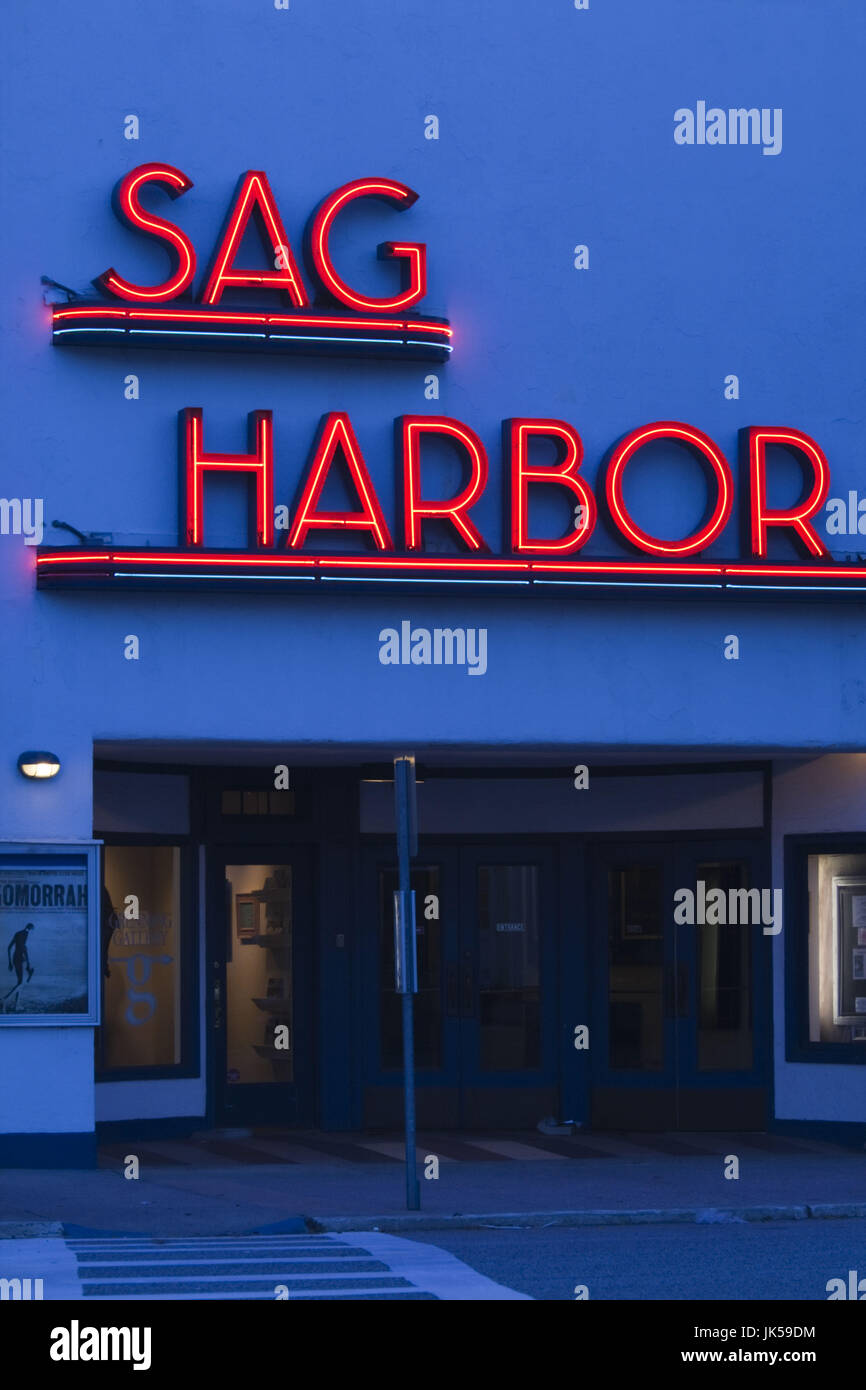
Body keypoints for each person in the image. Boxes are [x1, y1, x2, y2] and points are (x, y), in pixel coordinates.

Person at [4, 923, 34, 1001]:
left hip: (16, 958)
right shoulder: (25, 934)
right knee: (21, 982)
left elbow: (9, 948)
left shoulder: (17, 933)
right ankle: (6, 998)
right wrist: (28, 964)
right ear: (29, 929)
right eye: (31, 930)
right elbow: (23, 949)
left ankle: (15, 1002)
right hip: (19, 959)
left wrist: (10, 963)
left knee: (20, 981)